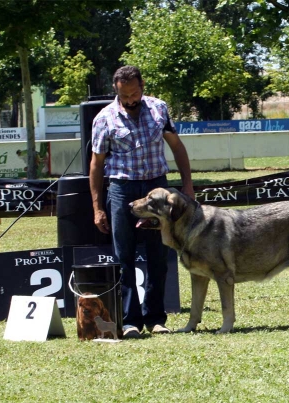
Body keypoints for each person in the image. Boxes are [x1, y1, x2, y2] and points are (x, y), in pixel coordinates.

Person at [90, 65, 194, 339]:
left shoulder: (159, 109)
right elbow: (96, 164)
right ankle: (129, 321)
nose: (131, 99)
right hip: (122, 190)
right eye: (125, 95)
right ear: (116, 91)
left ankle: (156, 318)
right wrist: (98, 206)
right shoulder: (104, 118)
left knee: (159, 255)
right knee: (123, 257)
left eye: (135, 93)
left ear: (142, 86)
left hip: (156, 188)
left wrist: (187, 185)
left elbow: (177, 146)